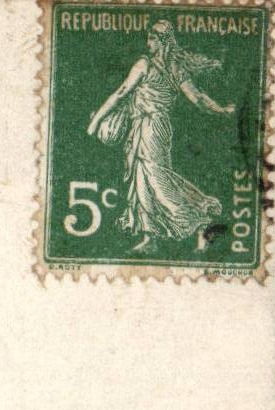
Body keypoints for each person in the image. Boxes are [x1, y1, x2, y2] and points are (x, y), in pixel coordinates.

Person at [87, 19, 235, 252]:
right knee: (143, 178)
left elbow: (122, 92)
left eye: (152, 38)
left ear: (163, 41)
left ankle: (198, 221)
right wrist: (221, 109)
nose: (148, 42)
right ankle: (150, 238)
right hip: (152, 126)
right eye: (148, 37)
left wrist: (95, 122)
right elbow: (198, 99)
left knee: (155, 178)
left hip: (150, 127)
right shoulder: (176, 69)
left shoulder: (144, 65)